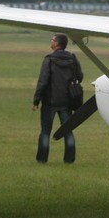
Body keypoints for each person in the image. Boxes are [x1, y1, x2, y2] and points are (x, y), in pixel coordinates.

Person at [32, 33, 83, 164]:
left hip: (50, 101)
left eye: (53, 39)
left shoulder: (49, 59)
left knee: (45, 132)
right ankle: (69, 159)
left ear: (57, 43)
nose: (51, 41)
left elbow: (43, 81)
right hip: (67, 101)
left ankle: (42, 159)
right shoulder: (72, 58)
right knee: (67, 130)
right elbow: (80, 76)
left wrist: (36, 100)